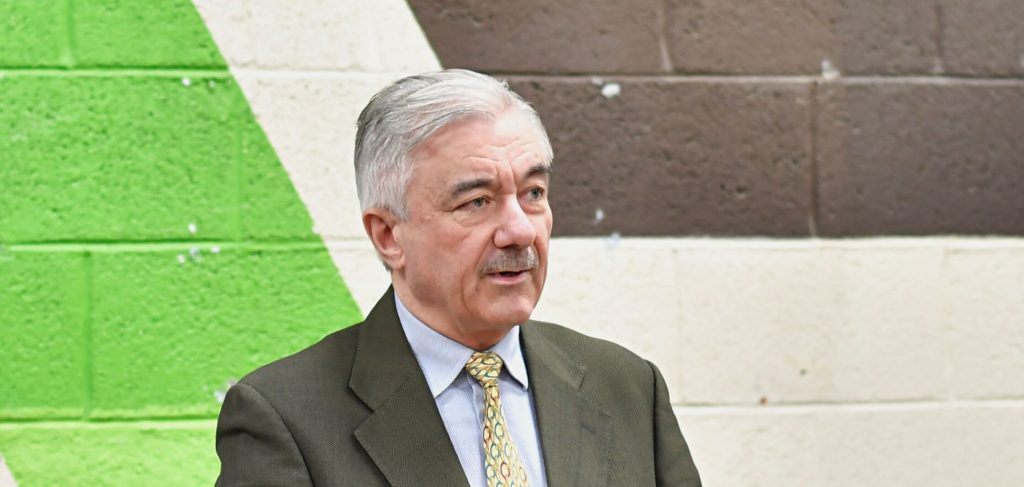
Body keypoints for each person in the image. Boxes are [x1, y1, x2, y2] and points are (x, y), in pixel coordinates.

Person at [215, 69, 701, 487]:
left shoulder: (627, 386)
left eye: (533, 193)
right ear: (388, 235)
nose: (520, 231)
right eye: (477, 202)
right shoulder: (284, 418)